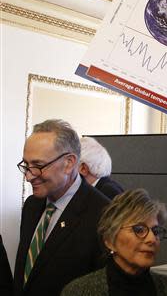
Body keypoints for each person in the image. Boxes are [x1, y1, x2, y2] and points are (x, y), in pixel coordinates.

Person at [14, 119, 110, 296]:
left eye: (38, 166)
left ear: (69, 163)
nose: (28, 176)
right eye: (26, 165)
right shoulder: (31, 206)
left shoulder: (104, 215)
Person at [61, 188, 167, 296]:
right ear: (110, 241)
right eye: (139, 230)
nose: (152, 239)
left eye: (156, 231)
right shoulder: (79, 291)